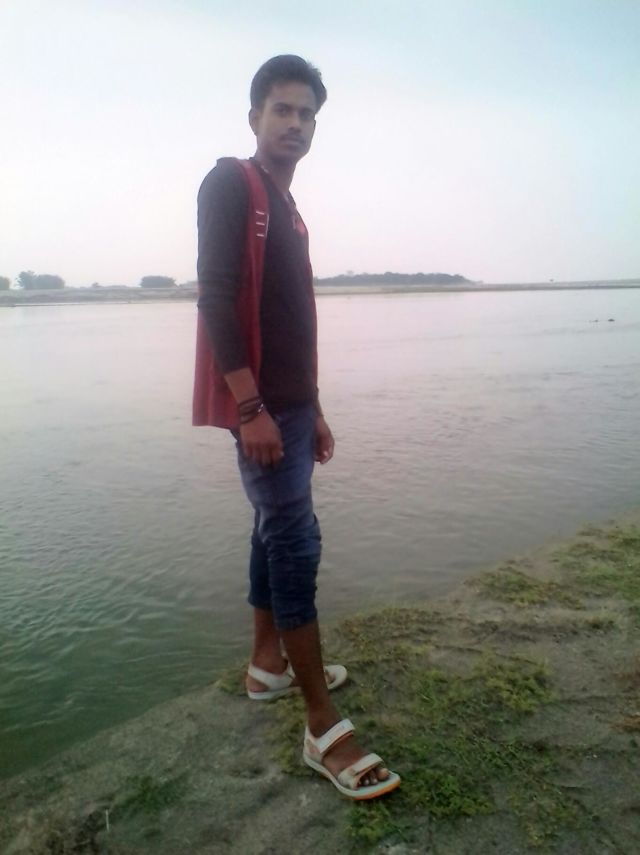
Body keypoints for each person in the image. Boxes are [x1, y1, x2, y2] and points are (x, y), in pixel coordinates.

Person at [194, 55, 400, 800]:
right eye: (282, 109)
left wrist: (312, 407)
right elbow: (215, 297)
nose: (296, 123)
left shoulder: (288, 205)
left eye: (308, 113)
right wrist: (250, 408)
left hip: (290, 405)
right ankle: (321, 724)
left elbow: (291, 321)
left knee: (270, 529)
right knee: (294, 540)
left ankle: (266, 665)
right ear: (255, 117)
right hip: (261, 407)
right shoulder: (232, 182)